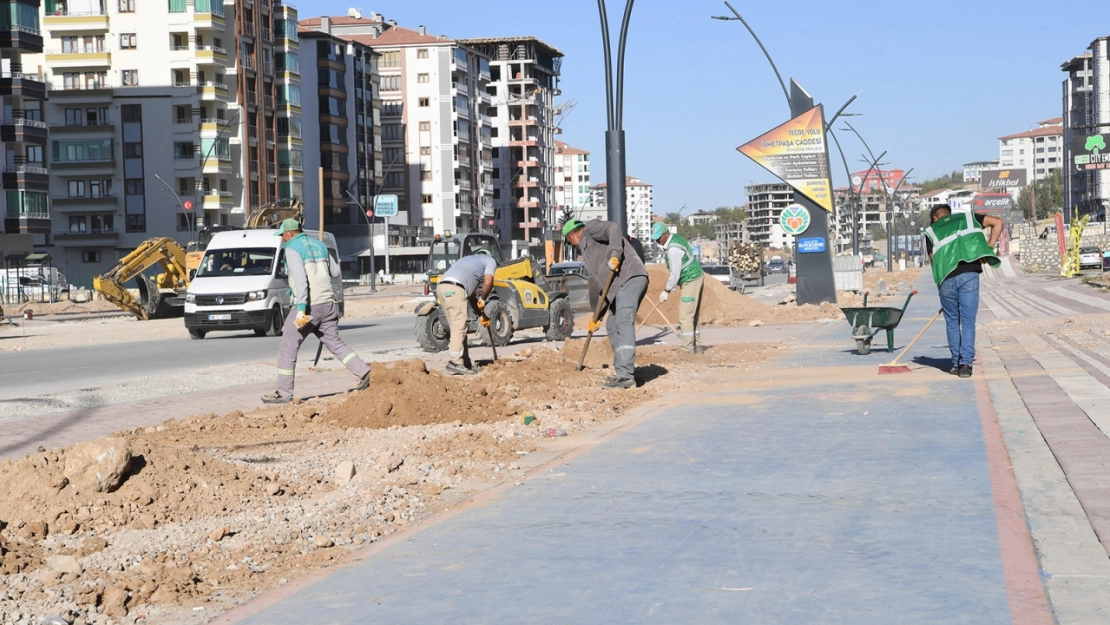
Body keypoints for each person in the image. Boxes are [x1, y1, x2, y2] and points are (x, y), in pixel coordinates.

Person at [263, 218, 371, 403]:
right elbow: (336, 272)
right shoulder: (320, 245)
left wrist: (301, 309)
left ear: (291, 233)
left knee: (288, 348)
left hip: (308, 306)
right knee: (335, 344)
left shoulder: (292, 249)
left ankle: (284, 393)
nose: (282, 239)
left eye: (283, 235)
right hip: (329, 304)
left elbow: (301, 280)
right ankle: (365, 372)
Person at [562, 219, 648, 389]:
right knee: (612, 324)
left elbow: (614, 227)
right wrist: (597, 317)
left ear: (571, 235)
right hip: (618, 286)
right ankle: (623, 370)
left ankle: (626, 376)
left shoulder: (590, 229)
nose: (572, 245)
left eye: (569, 241)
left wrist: (616, 254)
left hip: (630, 277)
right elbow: (606, 288)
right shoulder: (590, 254)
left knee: (623, 321)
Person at [924, 205, 1002, 378]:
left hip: (946, 279)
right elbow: (998, 222)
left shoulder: (931, 231)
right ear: (948, 214)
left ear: (935, 218)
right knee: (968, 321)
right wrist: (988, 247)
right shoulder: (968, 218)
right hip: (969, 275)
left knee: (952, 321)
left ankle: (955, 363)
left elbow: (933, 260)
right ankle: (966, 365)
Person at [649, 222, 706, 354]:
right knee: (693, 314)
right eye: (655, 238)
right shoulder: (674, 238)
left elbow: (675, 275)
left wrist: (666, 291)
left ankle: (687, 349)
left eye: (659, 237)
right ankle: (697, 345)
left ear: (666, 233)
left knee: (685, 315)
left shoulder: (673, 249)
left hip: (690, 279)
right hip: (695, 276)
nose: (657, 241)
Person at [437, 252, 496, 375]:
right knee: (459, 326)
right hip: (455, 288)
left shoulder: (467, 262)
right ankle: (455, 362)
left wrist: (482, 315)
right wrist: (484, 298)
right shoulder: (490, 260)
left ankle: (465, 362)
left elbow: (472, 298)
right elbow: (489, 282)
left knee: (457, 327)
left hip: (442, 287)